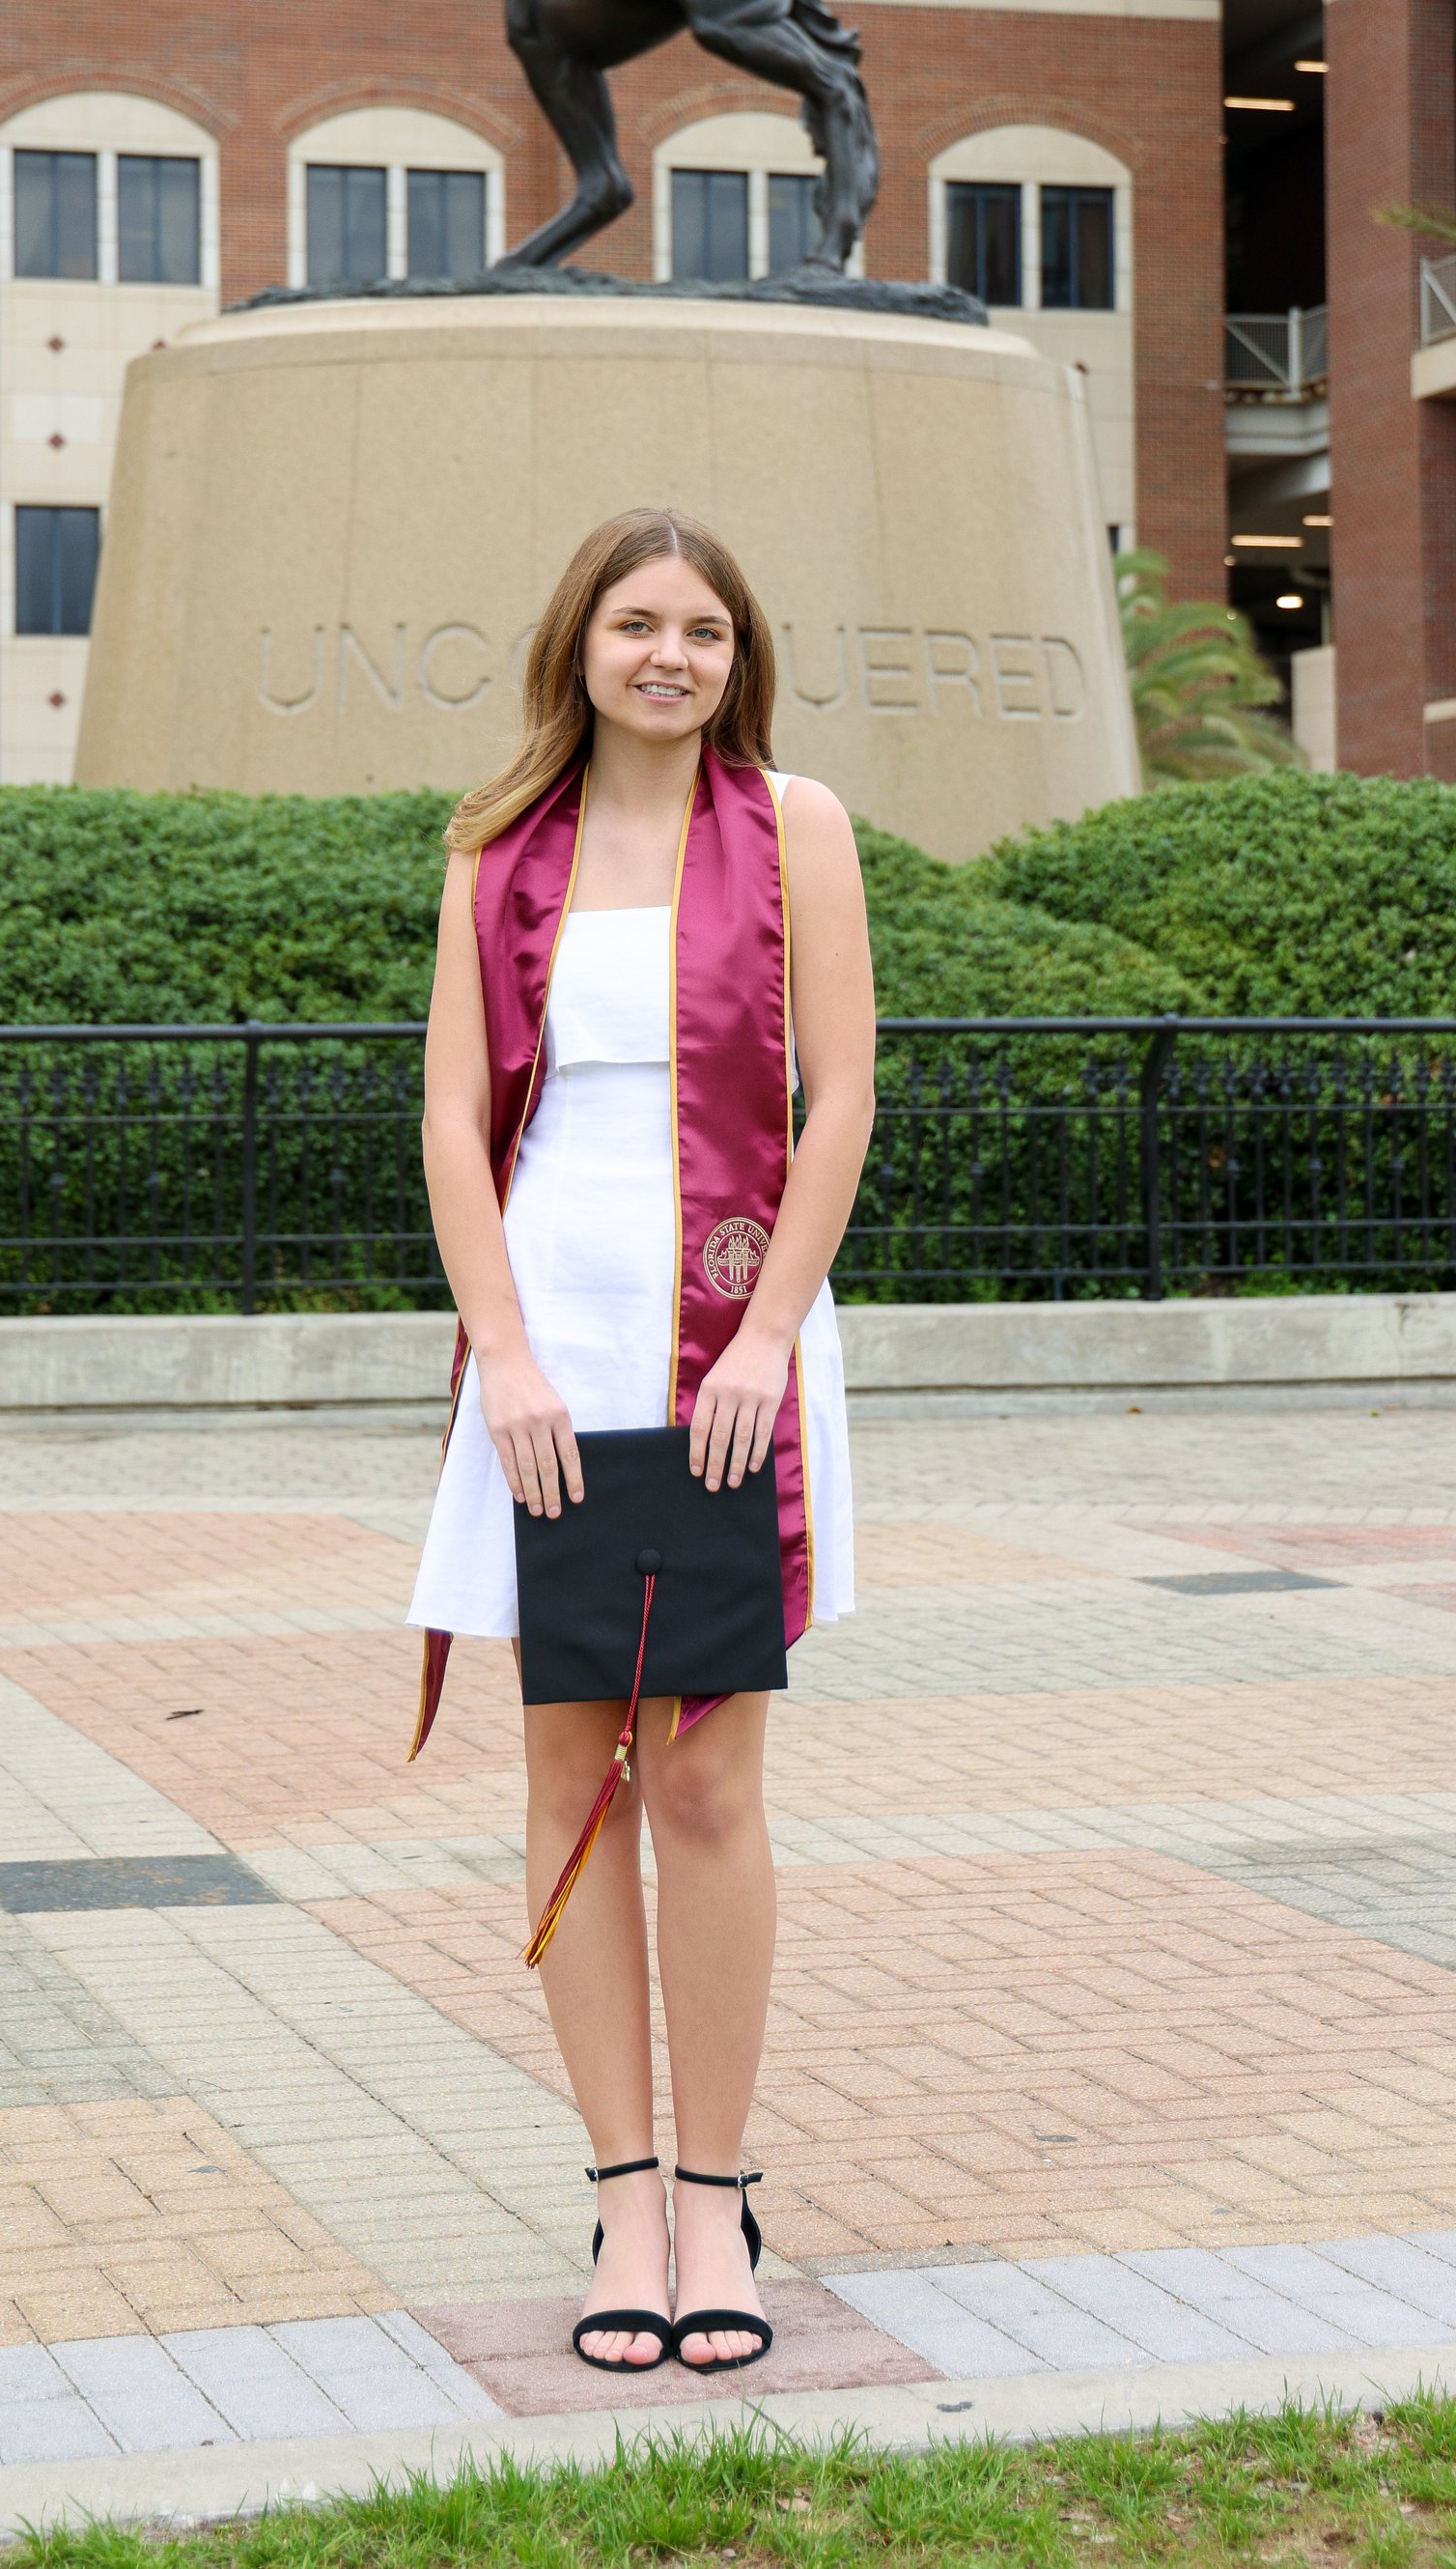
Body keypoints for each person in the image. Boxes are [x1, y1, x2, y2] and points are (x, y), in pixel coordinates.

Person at [411, 507, 873, 2376]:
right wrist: (502, 1355)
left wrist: (767, 1334)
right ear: (580, 643)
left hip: (726, 1346)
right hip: (554, 1350)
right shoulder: (491, 848)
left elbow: (839, 1096)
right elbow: (452, 1124)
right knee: (569, 1772)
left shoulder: (800, 830)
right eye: (636, 622)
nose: (668, 652)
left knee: (704, 1781)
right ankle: (618, 2189)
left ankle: (718, 2193)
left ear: (735, 653)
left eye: (700, 626)